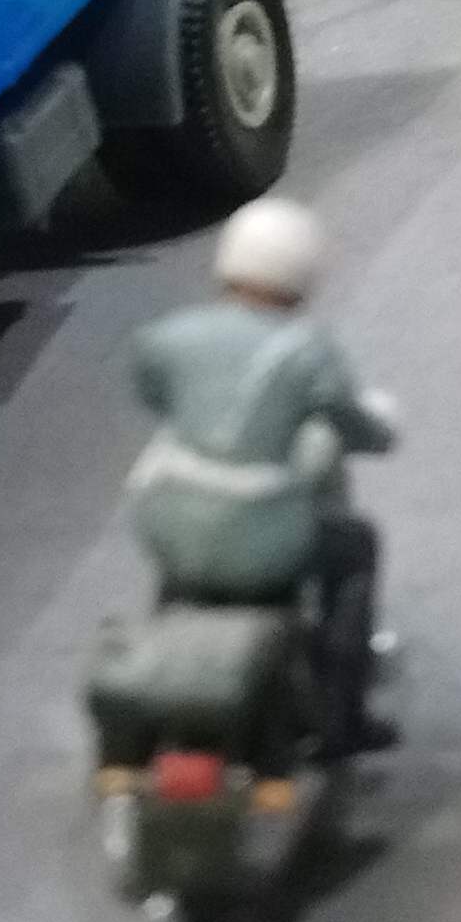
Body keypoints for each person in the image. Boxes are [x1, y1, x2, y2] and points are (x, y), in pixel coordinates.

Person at [124, 195, 400, 753]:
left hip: (168, 526)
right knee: (356, 547)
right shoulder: (307, 352)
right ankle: (342, 719)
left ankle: (155, 680)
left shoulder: (167, 337)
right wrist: (382, 429)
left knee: (183, 559)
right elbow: (356, 428)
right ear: (303, 274)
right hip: (264, 538)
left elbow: (154, 395)